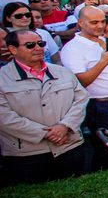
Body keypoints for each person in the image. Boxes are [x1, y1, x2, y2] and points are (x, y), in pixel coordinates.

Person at [0, 30, 89, 185]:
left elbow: (81, 99)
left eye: (41, 44)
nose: (38, 48)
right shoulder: (3, 78)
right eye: (30, 45)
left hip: (69, 147)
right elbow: (4, 117)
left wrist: (64, 126)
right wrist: (46, 134)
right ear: (13, 49)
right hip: (27, 155)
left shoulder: (62, 72)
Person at [59, 6, 108, 170]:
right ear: (80, 23)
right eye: (94, 22)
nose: (100, 26)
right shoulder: (73, 48)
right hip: (101, 106)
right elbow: (80, 82)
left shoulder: (106, 40)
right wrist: (103, 62)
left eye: (102, 21)